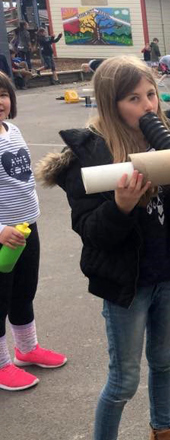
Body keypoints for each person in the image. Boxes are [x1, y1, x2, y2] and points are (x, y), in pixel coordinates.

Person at [36, 55, 170, 440]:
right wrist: (121, 206)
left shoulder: (167, 140)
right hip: (126, 286)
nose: (148, 105)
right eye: (133, 98)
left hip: (167, 274)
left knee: (164, 360)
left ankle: (163, 429)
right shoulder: (89, 156)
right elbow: (90, 231)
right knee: (124, 381)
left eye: (151, 94)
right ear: (111, 104)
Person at [0, 71, 67, 392]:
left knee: (23, 292)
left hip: (28, 225)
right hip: (3, 235)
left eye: (2, 94)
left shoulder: (12, 130)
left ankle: (27, 349)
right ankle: (1, 365)